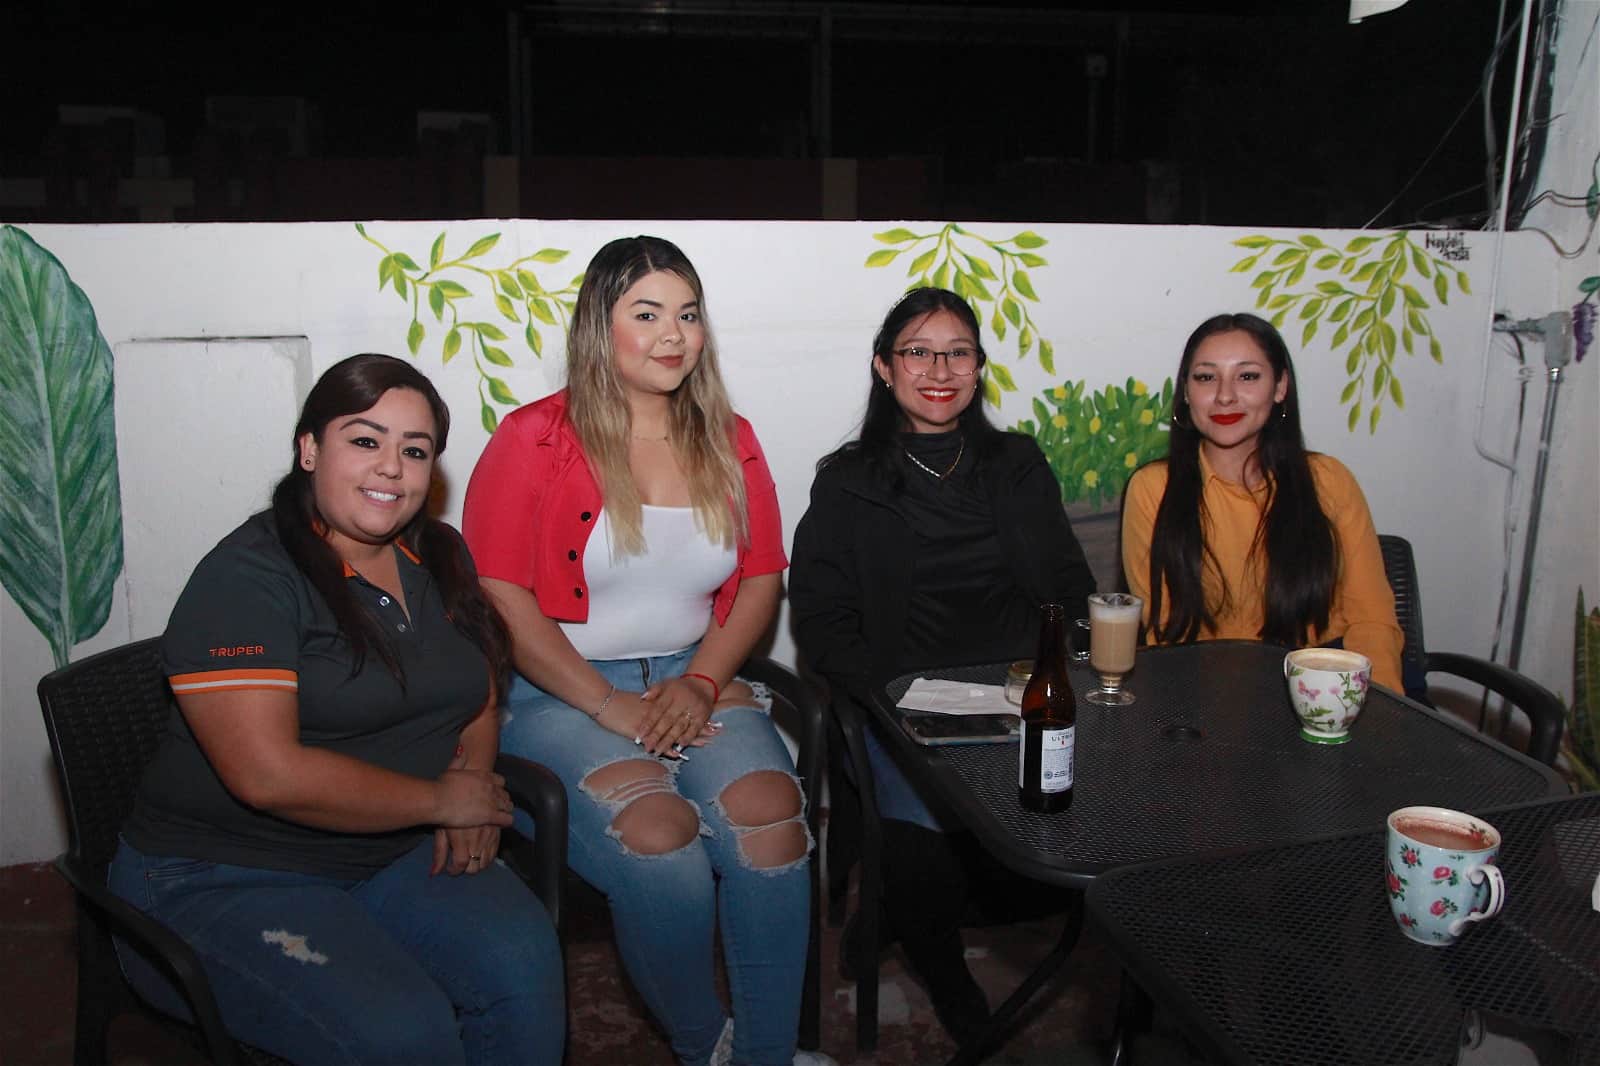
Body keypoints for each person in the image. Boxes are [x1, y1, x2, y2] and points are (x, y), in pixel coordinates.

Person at [108, 354, 565, 1065]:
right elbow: (268, 775)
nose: (391, 467)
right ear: (309, 448)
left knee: (527, 969)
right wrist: (443, 801)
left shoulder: (436, 551)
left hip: (391, 850)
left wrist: (473, 787)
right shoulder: (247, 577)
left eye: (414, 451)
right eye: (365, 440)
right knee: (404, 1032)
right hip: (220, 876)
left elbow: (477, 682)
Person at [463, 236, 821, 1066]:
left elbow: (762, 579)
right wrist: (604, 700)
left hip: (696, 677)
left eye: (687, 314)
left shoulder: (731, 437)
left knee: (771, 823)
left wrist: (701, 682)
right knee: (660, 841)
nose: (673, 335)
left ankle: (768, 1057)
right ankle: (710, 1049)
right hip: (560, 695)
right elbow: (498, 593)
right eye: (647, 314)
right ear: (600, 328)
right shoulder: (533, 438)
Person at [788, 286, 1097, 1043]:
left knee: (1088, 821)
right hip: (903, 705)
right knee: (926, 849)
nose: (939, 368)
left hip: (1018, 694)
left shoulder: (1016, 463)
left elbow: (1068, 586)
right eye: (917, 351)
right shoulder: (847, 480)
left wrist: (1059, 663)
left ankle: (886, 914)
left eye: (957, 352)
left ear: (979, 368)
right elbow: (820, 619)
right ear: (884, 367)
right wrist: (893, 700)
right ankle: (947, 973)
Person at [1121, 311, 1404, 690]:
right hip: (1201, 696)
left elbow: (1372, 619)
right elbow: (1166, 636)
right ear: (1187, 393)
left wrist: (1381, 716)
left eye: (1247, 376)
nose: (1224, 395)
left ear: (1280, 386)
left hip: (1324, 691)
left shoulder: (1329, 481)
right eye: (1206, 377)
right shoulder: (1152, 488)